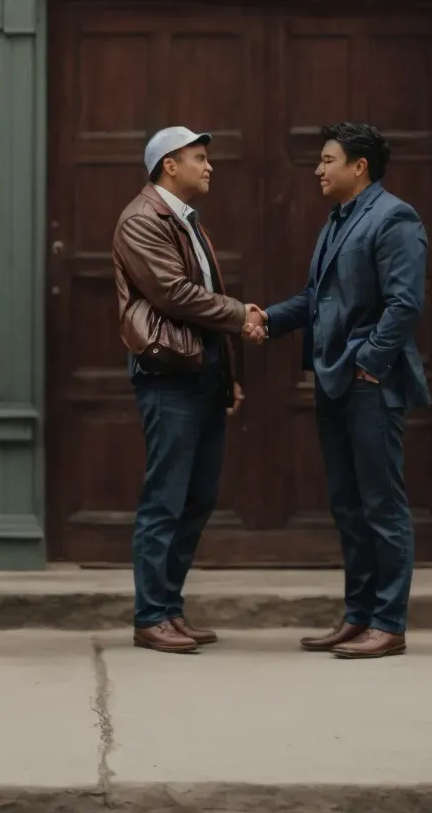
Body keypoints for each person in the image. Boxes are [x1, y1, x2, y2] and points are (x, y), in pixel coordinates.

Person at [244, 122, 428, 660]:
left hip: (369, 383)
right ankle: (358, 615)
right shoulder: (338, 220)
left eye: (328, 160)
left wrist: (369, 363)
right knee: (348, 506)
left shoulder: (394, 217)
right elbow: (316, 298)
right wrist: (267, 319)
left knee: (382, 506)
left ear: (359, 167)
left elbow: (405, 305)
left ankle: (388, 624)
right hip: (333, 381)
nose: (318, 170)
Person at [110, 126, 250, 654]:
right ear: (170, 164)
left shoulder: (184, 219)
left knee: (198, 496)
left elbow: (200, 298)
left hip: (201, 372)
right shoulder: (142, 219)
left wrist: (226, 373)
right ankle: (151, 616)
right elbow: (174, 294)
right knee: (166, 498)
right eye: (199, 157)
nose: (209, 166)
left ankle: (169, 608)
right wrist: (242, 315)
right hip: (168, 375)